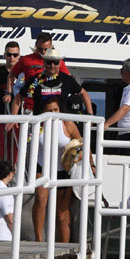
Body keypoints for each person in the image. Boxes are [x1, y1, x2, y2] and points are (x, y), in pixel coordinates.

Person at [31, 97, 81, 243]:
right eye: (49, 111)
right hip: (42, 168)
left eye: (55, 110)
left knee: (61, 214)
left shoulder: (67, 124)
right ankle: (38, 240)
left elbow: (82, 145)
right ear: (43, 112)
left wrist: (84, 161)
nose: (53, 113)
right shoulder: (38, 125)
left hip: (63, 170)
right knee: (40, 200)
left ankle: (64, 248)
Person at [14, 48, 88, 117]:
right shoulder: (35, 79)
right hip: (39, 125)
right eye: (49, 62)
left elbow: (83, 93)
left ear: (59, 63)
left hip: (60, 123)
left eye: (55, 62)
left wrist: (90, 114)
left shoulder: (67, 79)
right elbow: (19, 96)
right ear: (44, 62)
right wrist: (13, 119)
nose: (52, 65)